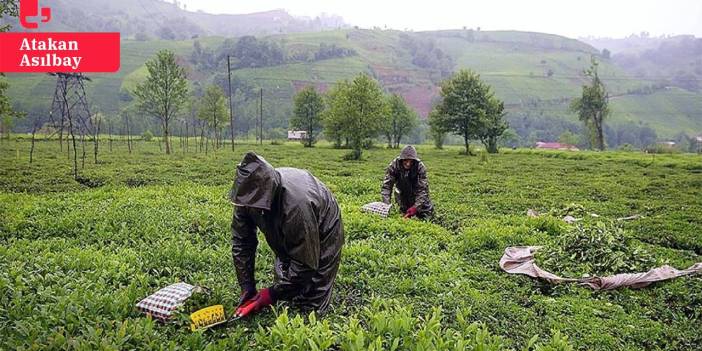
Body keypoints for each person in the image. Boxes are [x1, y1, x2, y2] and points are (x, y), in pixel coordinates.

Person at [230, 152, 344, 318]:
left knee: (312, 298)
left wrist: (269, 295)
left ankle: (310, 310)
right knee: (287, 275)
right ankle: (288, 288)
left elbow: (305, 263)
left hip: (324, 224)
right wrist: (247, 286)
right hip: (293, 217)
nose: (251, 208)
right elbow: (242, 242)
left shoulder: (297, 206)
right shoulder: (245, 195)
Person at [381, 145, 434, 219]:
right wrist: (386, 205)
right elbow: (387, 187)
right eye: (405, 160)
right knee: (403, 215)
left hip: (417, 195)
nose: (408, 164)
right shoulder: (394, 165)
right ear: (401, 159)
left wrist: (416, 207)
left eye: (411, 161)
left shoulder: (420, 167)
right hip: (402, 195)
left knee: (427, 216)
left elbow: (422, 190)